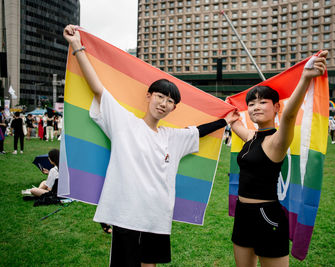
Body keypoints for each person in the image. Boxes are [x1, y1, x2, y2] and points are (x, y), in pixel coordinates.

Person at [63, 25, 238, 266]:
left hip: (157, 216)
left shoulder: (173, 138)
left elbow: (198, 131)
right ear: (149, 96)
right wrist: (76, 45)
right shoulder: (124, 123)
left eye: (170, 101)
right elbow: (97, 88)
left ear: (173, 108)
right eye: (160, 97)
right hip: (125, 215)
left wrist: (224, 121)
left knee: (150, 265)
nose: (164, 104)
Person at [229, 51, 328, 267]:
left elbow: (290, 115)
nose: (255, 107)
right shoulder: (252, 137)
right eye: (251, 104)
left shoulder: (277, 141)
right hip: (243, 214)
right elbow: (236, 125)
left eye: (262, 102)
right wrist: (229, 112)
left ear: (276, 108)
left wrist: (305, 77)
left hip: (267, 216)